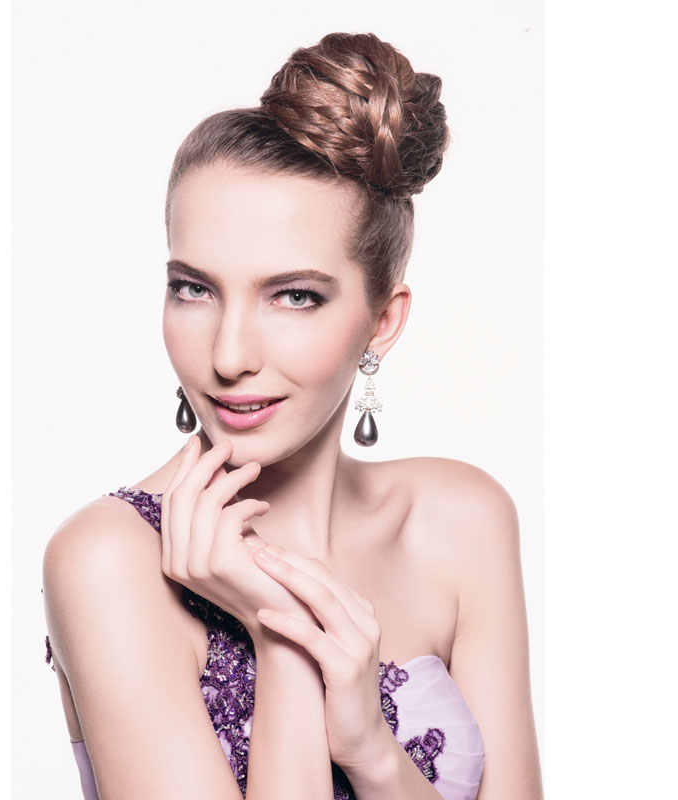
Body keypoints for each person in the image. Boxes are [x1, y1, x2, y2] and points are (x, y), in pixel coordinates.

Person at [41, 31, 542, 800]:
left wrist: (374, 753)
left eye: (294, 296)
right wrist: (279, 639)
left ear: (382, 321)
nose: (229, 354)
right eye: (194, 289)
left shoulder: (460, 522)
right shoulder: (111, 561)